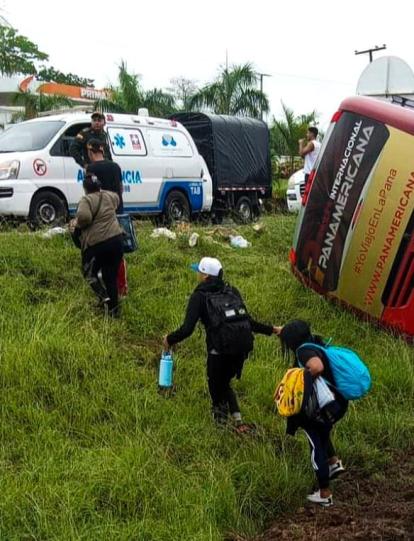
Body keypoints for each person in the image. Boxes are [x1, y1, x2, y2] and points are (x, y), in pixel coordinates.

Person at [163, 257, 279, 432]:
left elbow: (187, 329)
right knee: (224, 382)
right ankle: (238, 421)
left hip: (219, 350)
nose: (197, 274)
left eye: (199, 271)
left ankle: (221, 429)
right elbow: (248, 321)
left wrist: (169, 340)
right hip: (241, 348)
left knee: (216, 387)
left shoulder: (199, 296)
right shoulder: (232, 290)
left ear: (205, 276)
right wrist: (272, 329)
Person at [278, 320, 348, 507]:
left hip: (318, 408)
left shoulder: (303, 351)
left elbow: (316, 367)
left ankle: (324, 493)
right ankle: (334, 463)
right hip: (336, 403)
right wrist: (278, 330)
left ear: (293, 341)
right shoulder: (316, 342)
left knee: (315, 444)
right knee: (323, 434)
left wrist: (300, 381)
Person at [72, 175, 124, 317]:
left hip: (97, 244)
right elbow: (117, 200)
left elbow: (84, 217)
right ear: (99, 186)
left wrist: (77, 224)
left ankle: (103, 295)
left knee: (88, 271)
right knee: (110, 276)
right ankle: (114, 311)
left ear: (85, 188)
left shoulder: (86, 200)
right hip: (116, 241)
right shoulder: (109, 195)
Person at [85, 139, 123, 212]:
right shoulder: (116, 166)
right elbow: (121, 188)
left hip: (102, 212)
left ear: (90, 152)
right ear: (102, 151)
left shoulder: (91, 168)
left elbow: (89, 192)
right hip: (118, 209)